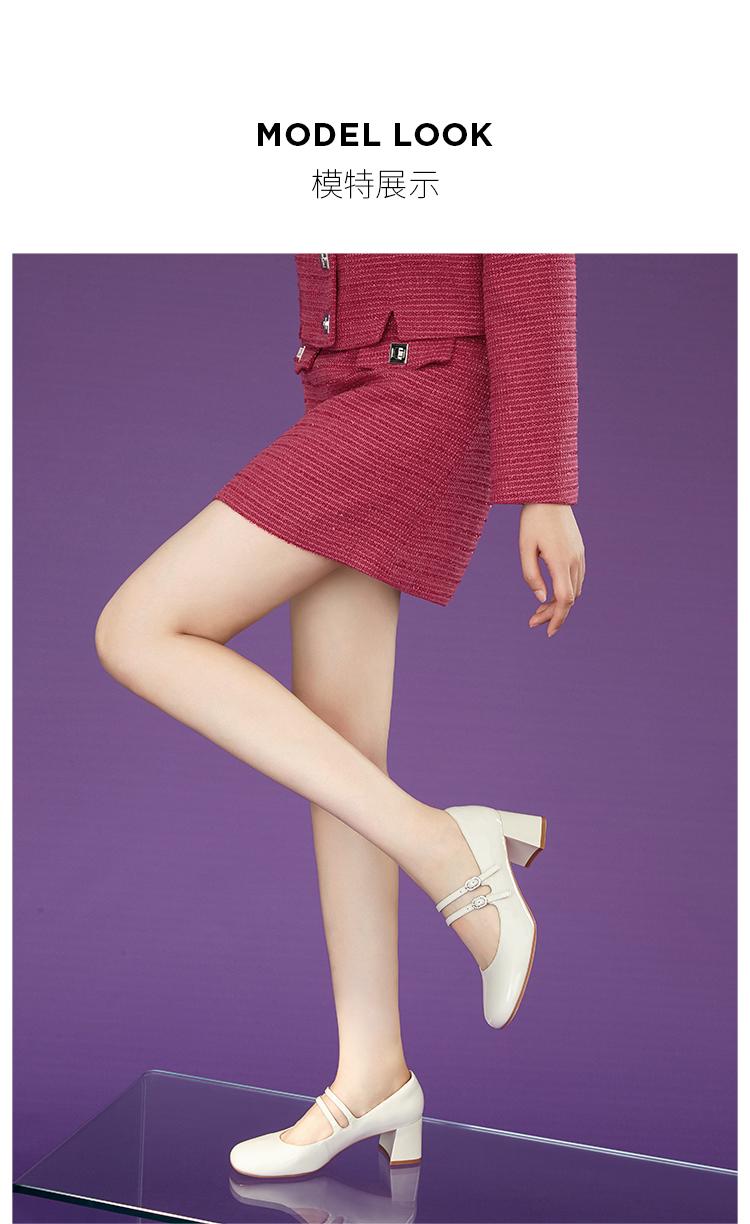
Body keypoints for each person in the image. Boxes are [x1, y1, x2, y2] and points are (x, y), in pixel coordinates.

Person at [95, 253, 585, 1178]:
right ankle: (373, 1073)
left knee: (137, 629)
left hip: (422, 383)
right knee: (341, 750)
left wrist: (546, 485)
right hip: (345, 378)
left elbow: (532, 244)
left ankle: (447, 850)